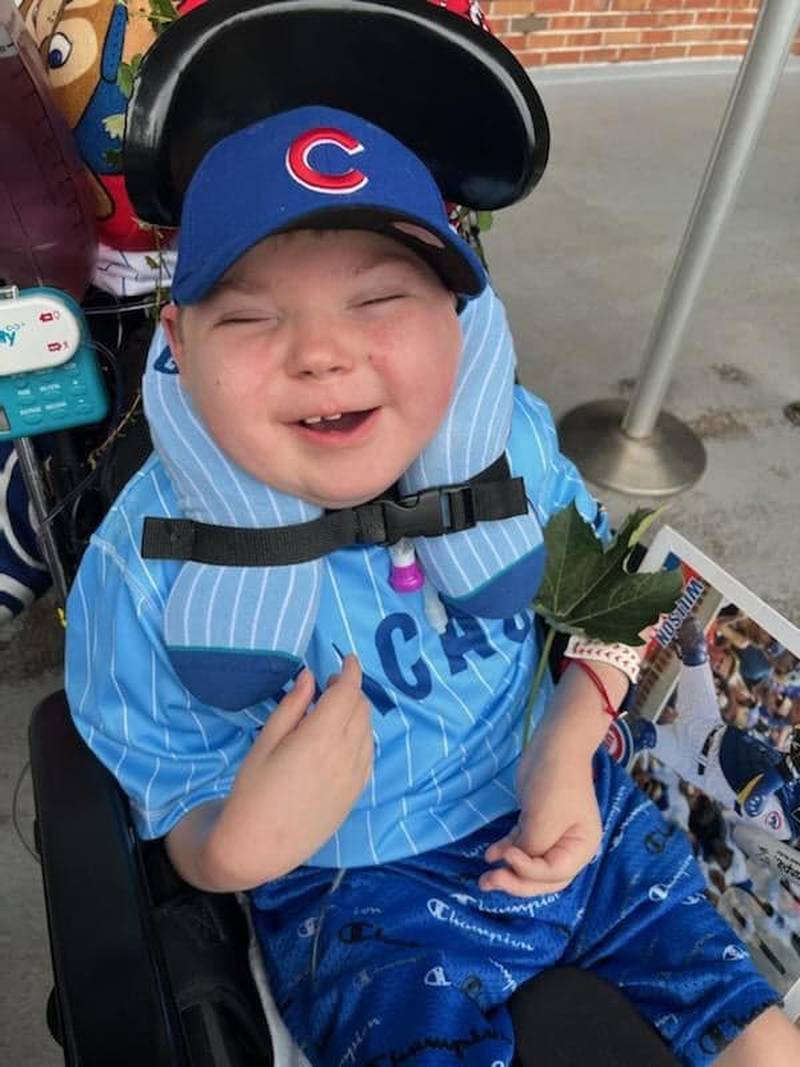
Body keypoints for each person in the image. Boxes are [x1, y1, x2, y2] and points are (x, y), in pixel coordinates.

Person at [65, 106, 800, 1066]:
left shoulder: (510, 445)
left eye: (376, 303)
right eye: (249, 316)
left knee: (763, 1042)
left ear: (462, 317)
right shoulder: (145, 563)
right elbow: (167, 789)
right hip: (356, 892)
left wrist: (570, 744)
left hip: (569, 806)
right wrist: (238, 846)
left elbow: (619, 605)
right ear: (179, 340)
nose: (321, 354)